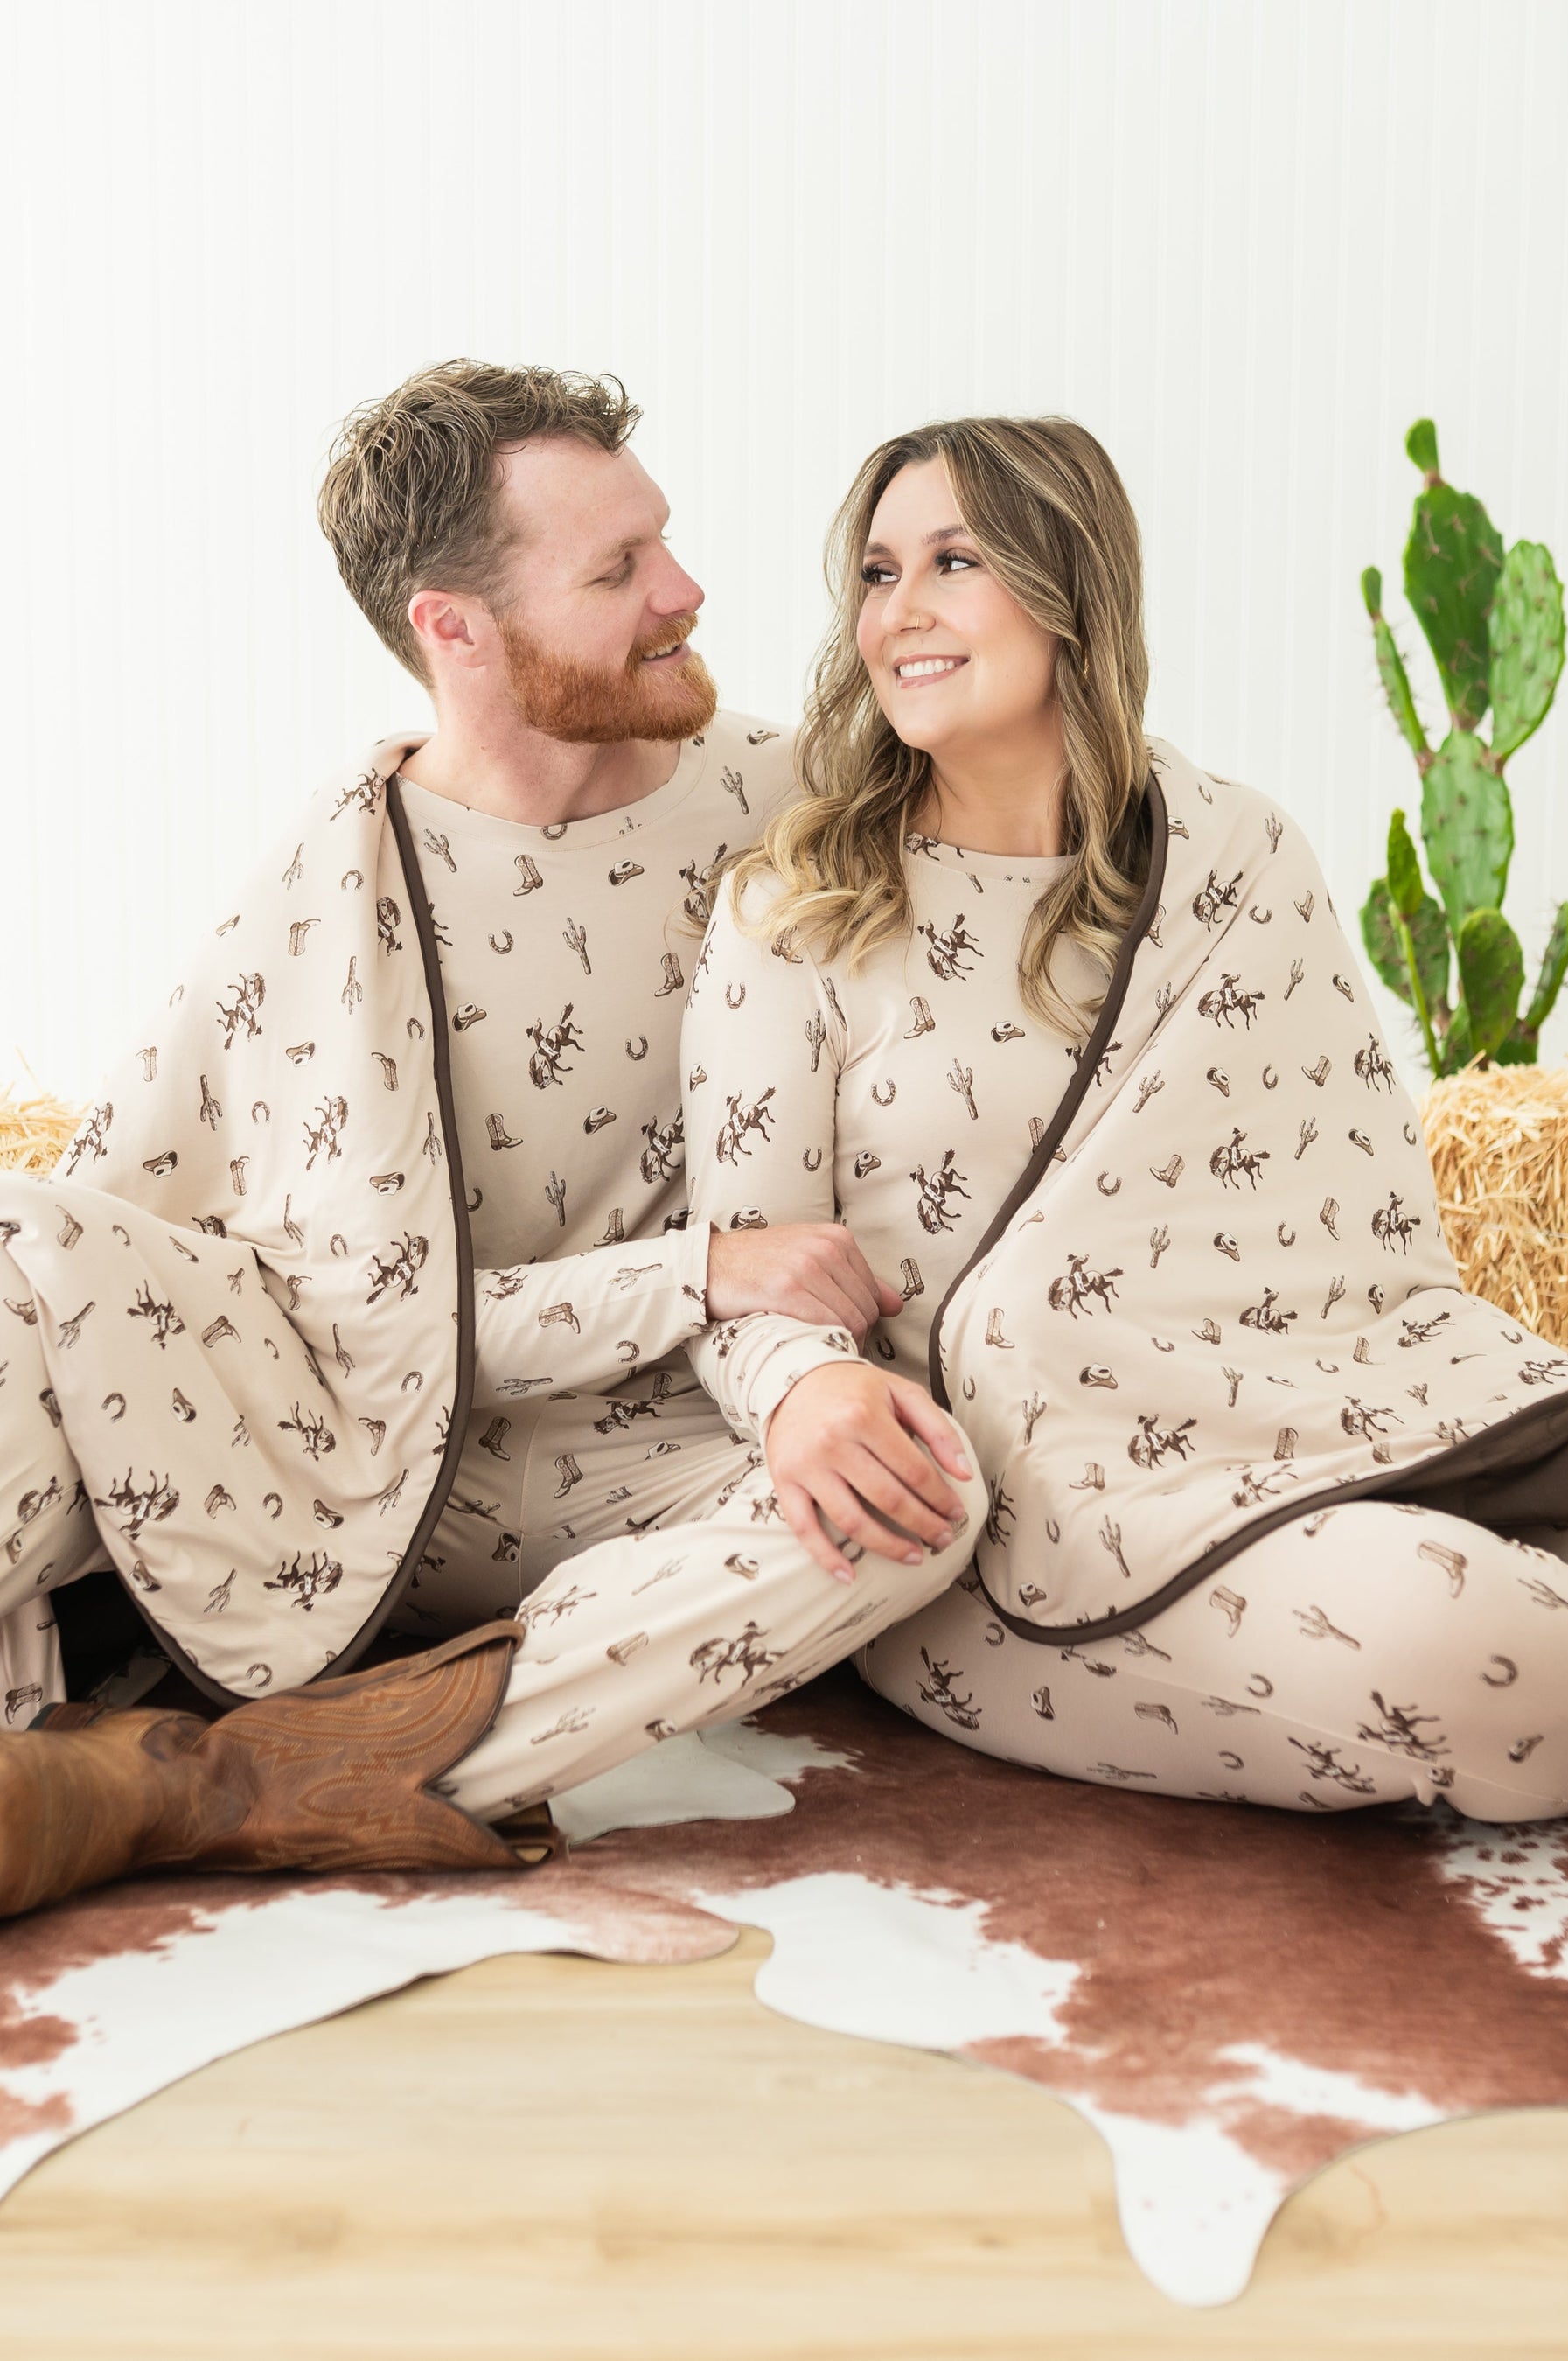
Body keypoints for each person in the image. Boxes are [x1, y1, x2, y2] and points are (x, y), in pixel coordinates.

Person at [0, 363, 986, 1917]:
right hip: (353, 1464)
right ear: (451, 630)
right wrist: (700, 1270)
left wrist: (795, 1369)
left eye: (661, 542)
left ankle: (238, 1784)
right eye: (616, 573)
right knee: (15, 1252)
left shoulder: (801, 801)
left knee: (918, 1507)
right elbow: (340, 1333)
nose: (685, 592)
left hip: (664, 1460)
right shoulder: (324, 896)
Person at [682, 412, 1568, 1823]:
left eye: (952, 562)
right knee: (1475, 1642)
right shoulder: (796, 915)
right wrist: (806, 1392)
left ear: (1067, 590)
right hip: (1017, 1535)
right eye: (874, 572)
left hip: (1345, 1409)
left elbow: (1365, 1215)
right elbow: (745, 1277)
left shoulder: (1237, 852)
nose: (898, 612)